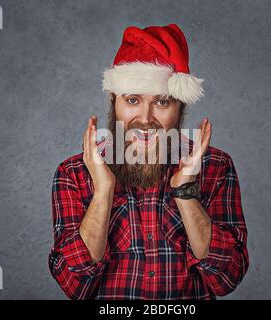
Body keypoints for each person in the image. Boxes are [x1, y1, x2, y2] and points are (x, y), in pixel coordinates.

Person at [48, 23, 249, 299]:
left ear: (180, 108)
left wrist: (185, 192)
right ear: (113, 101)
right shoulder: (73, 173)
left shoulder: (215, 167)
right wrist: (103, 191)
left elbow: (227, 278)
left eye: (162, 103)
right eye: (132, 100)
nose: (145, 118)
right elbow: (74, 285)